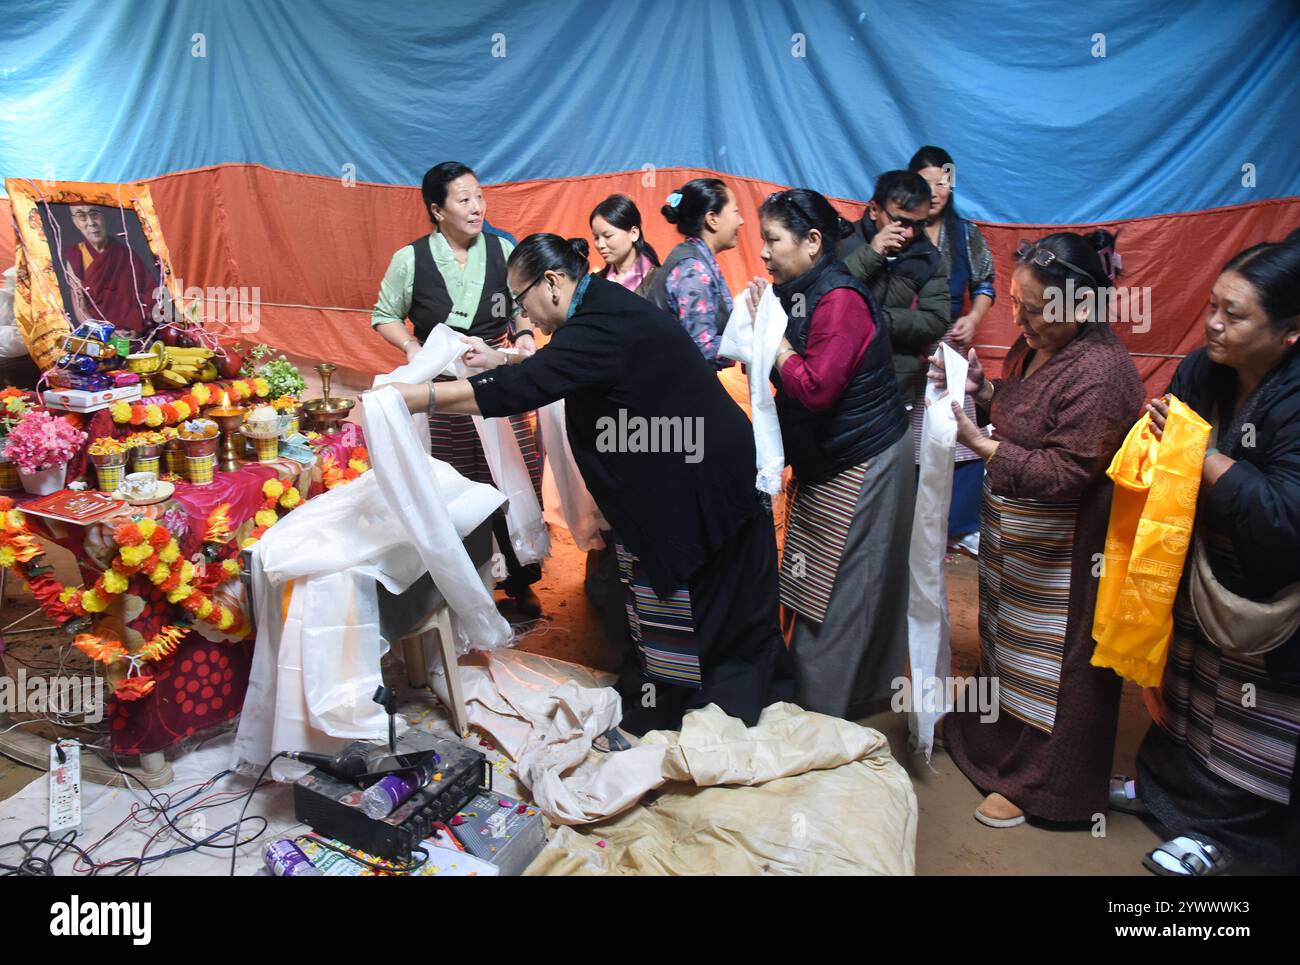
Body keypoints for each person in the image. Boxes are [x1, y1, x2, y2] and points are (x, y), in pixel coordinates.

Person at [387, 233, 793, 748]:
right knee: (689, 598)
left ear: (552, 283)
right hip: (694, 467)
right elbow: (548, 369)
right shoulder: (598, 309)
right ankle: (684, 697)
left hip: (700, 480)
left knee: (690, 602)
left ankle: (686, 713)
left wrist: (415, 397)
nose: (522, 312)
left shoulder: (598, 326)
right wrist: (501, 359)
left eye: (521, 298)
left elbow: (525, 389)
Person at [931, 232, 1144, 828]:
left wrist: (983, 445)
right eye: (1016, 300)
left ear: (1079, 307)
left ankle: (1045, 788)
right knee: (1007, 651)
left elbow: (1068, 470)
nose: (1017, 314)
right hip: (1020, 541)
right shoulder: (1035, 346)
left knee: (1060, 667)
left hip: (1071, 549)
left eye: (1031, 305)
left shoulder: (1102, 372)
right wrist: (984, 391)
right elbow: (1024, 415)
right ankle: (995, 752)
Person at [1115, 241, 1300, 876]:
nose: (1214, 323)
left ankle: (1229, 841)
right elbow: (1175, 435)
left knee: (1249, 718)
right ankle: (1166, 798)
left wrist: (1202, 456)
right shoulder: (1203, 367)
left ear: (1290, 332)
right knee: (1188, 695)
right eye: (1213, 306)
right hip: (1202, 569)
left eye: (1236, 314)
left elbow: (1286, 517)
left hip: (1270, 589)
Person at [745, 189, 912, 718]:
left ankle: (817, 716)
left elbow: (816, 388)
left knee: (835, 595)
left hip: (863, 459)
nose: (764, 253)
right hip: (830, 459)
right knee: (819, 581)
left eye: (772, 240)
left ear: (813, 242)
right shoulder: (797, 290)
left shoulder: (840, 299)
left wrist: (772, 341)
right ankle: (856, 695)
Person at [370, 161, 544, 617]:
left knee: (514, 474)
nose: (476, 207)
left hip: (499, 379)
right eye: (464, 199)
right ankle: (466, 584)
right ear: (437, 209)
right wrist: (412, 347)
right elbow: (385, 314)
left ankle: (521, 578)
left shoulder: (503, 247)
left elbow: (521, 304)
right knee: (457, 482)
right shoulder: (410, 259)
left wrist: (523, 335)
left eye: (479, 197)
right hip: (442, 391)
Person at [908, 146, 996, 547]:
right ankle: (911, 522)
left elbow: (984, 284)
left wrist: (973, 319)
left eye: (943, 181)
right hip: (909, 345)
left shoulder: (966, 233)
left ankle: (959, 526)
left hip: (952, 344)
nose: (936, 190)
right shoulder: (901, 229)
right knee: (914, 432)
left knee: (959, 426)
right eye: (927, 183)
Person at [839, 170, 951, 397]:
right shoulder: (842, 241)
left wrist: (879, 319)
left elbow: (937, 320)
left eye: (919, 224)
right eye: (900, 221)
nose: (909, 233)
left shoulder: (928, 256)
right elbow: (826, 296)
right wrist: (871, 254)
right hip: (839, 376)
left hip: (893, 386)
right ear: (874, 210)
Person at [645, 178, 743, 366]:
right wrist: (751, 342)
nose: (741, 221)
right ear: (712, 219)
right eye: (736, 211)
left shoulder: (694, 258)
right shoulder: (693, 270)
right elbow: (702, 349)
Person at [61, 204, 158, 333]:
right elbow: (81, 311)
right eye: (81, 216)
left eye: (94, 213)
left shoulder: (125, 254)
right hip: (101, 335)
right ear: (75, 221)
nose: (91, 223)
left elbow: (151, 293)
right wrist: (107, 333)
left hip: (135, 331)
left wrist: (139, 327)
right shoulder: (76, 256)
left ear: (104, 217)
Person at [590, 194, 659, 296]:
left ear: (633, 233)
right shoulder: (595, 282)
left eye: (608, 236)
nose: (600, 245)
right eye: (596, 237)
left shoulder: (659, 281)